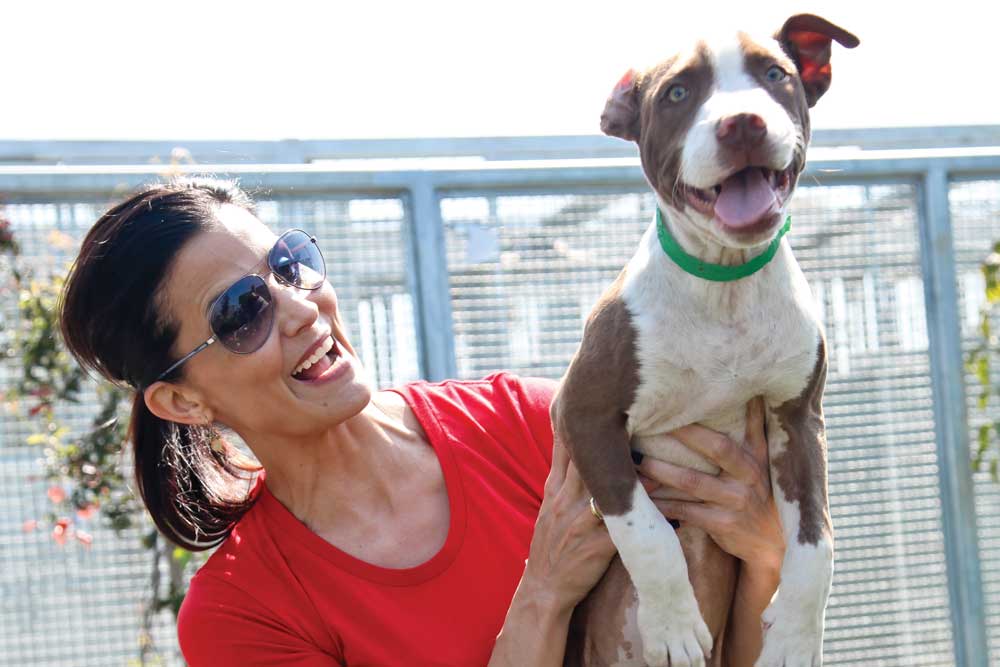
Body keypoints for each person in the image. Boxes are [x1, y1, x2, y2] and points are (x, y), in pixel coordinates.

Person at [58, 179, 785, 666]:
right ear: (183, 401)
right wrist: (543, 592)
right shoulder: (244, 612)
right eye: (242, 312)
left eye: (289, 263)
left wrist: (764, 559)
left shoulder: (529, 424)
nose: (302, 306)